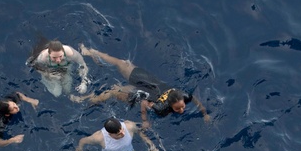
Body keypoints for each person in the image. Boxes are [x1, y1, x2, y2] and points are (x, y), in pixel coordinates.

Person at [71, 45, 209, 126]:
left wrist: (204, 114)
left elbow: (195, 99)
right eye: (178, 108)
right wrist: (144, 120)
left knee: (114, 91)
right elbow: (144, 103)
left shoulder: (183, 96)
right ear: (170, 104)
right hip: (146, 85)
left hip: (146, 88)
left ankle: (89, 98)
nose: (182, 110)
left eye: (182, 107)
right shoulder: (161, 108)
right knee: (122, 63)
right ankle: (92, 52)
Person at [26, 36, 91, 97]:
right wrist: (48, 74)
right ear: (49, 54)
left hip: (65, 68)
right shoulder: (42, 58)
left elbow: (83, 65)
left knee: (68, 90)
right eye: (54, 57)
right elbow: (33, 65)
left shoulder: (71, 53)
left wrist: (83, 82)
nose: (58, 60)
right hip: (50, 71)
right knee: (57, 93)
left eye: (60, 56)